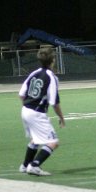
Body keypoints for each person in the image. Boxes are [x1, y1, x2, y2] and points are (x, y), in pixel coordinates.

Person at [18, 47, 65, 176]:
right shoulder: (52, 77)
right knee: (53, 142)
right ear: (53, 60)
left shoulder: (34, 73)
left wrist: (29, 106)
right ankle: (34, 165)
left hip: (25, 110)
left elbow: (21, 94)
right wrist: (61, 117)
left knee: (36, 139)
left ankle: (25, 165)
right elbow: (54, 102)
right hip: (36, 113)